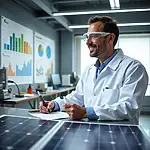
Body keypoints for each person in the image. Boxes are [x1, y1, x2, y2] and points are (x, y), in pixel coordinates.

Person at [39, 16, 148, 124]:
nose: (88, 42)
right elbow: (77, 97)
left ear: (110, 38)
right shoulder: (89, 70)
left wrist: (87, 112)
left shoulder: (133, 68)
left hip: (120, 135)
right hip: (91, 132)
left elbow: (129, 107)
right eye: (87, 37)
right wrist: (55, 104)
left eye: (94, 36)